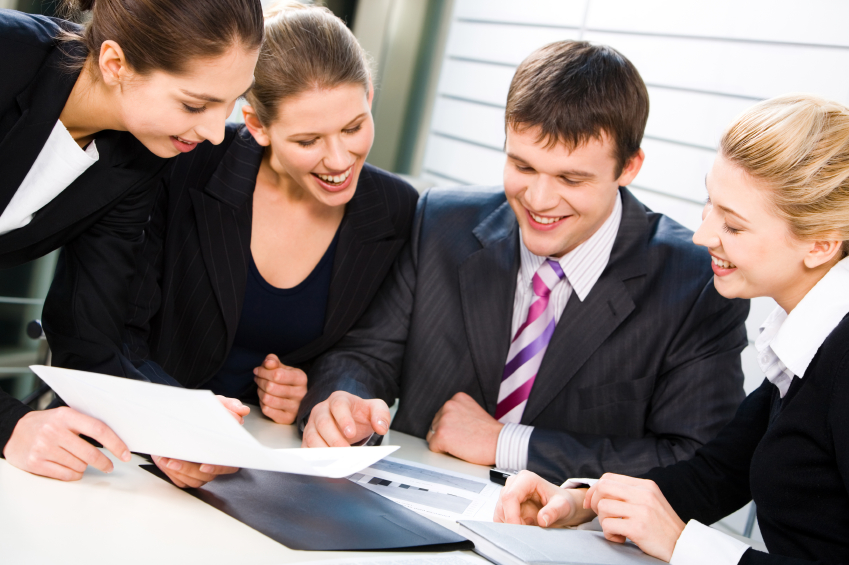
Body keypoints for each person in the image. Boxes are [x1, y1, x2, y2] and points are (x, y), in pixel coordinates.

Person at [293, 41, 750, 483]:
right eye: (524, 167)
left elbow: (697, 461)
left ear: (629, 167)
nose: (539, 199)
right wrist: (343, 403)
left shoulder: (693, 282)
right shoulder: (439, 222)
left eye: (571, 178)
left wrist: (507, 444)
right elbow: (365, 355)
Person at [494, 94, 849, 565]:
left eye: (735, 227)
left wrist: (685, 546)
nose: (703, 236)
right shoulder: (805, 341)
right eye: (710, 204)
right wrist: (587, 501)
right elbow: (715, 475)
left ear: (821, 244)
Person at [110, 1, 418, 487]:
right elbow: (117, 331)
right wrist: (181, 420)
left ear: (370, 98)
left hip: (269, 470)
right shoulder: (185, 168)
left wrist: (316, 394)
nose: (340, 158)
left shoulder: (394, 208)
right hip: (136, 451)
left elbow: (361, 349)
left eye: (354, 127)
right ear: (256, 125)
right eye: (308, 139)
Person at [0, 0, 263, 482]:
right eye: (194, 104)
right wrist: (9, 425)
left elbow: (87, 333)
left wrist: (174, 422)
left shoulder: (145, 150)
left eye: (230, 102)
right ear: (115, 63)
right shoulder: (7, 54)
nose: (215, 132)